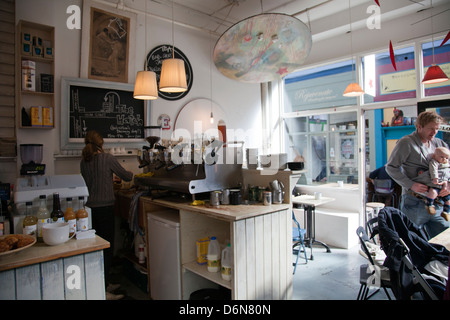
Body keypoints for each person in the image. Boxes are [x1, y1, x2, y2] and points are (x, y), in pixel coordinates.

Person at [80, 130, 133, 300]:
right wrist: (133, 174)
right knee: (106, 249)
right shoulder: (107, 158)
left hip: (89, 210)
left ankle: (103, 283)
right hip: (105, 208)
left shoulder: (84, 161)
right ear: (101, 145)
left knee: (96, 249)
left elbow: (93, 182)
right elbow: (125, 176)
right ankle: (103, 291)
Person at [386, 111, 450, 238]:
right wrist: (411, 184)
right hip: (414, 203)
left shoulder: (439, 144)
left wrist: (448, 186)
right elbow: (391, 167)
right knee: (412, 241)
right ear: (419, 126)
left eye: (437, 129)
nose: (434, 132)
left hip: (438, 204)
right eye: (431, 128)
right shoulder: (406, 143)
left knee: (444, 240)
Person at [418, 146, 450, 221]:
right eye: (442, 157)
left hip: (445, 185)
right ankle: (429, 205)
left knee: (448, 200)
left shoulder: (447, 165)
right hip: (437, 183)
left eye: (446, 158)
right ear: (434, 156)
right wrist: (435, 178)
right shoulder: (434, 162)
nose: (444, 159)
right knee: (433, 192)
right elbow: (433, 170)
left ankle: (446, 212)